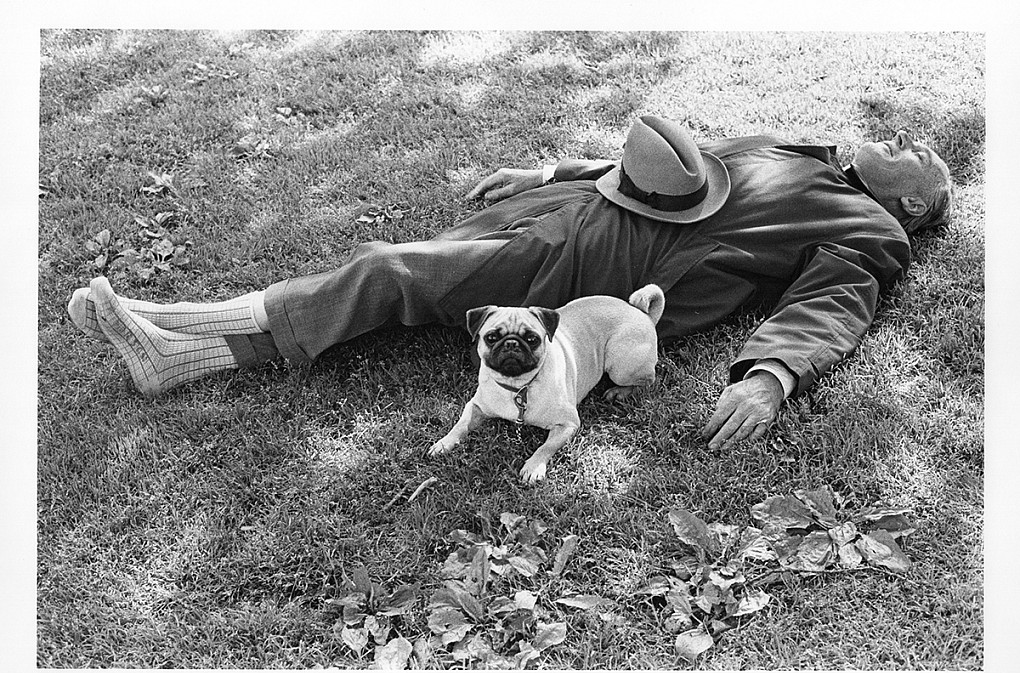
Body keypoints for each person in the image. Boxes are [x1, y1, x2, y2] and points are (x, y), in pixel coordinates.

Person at [68, 115, 953, 451]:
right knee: (412, 268)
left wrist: (771, 377)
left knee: (391, 269)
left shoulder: (865, 226)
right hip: (580, 206)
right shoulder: (804, 150)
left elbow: (833, 305)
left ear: (908, 204)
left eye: (916, 152)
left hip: (591, 278)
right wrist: (551, 171)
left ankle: (171, 319)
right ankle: (176, 359)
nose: (899, 134)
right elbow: (681, 164)